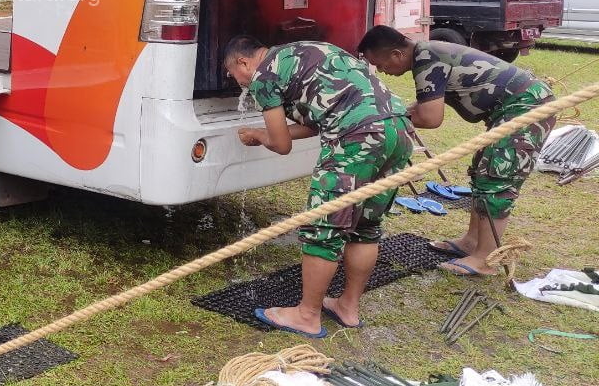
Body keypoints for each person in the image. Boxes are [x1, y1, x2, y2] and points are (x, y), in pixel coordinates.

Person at [223, 36, 412, 338]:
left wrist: (259, 136)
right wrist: (266, 131)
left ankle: (306, 315)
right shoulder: (303, 51)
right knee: (365, 226)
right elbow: (316, 121)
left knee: (323, 227)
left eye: (233, 73)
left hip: (357, 137)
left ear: (243, 62)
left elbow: (281, 145)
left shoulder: (263, 76)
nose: (237, 82)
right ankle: (347, 306)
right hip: (398, 129)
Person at [357, 25, 555, 277]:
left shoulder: (426, 58)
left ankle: (484, 259)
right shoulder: (426, 53)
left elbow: (430, 117)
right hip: (512, 108)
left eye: (380, 64)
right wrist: (394, 115)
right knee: (482, 171)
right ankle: (472, 243)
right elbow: (424, 104)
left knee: (496, 178)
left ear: (396, 54)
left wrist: (382, 123)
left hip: (527, 107)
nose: (383, 71)